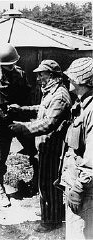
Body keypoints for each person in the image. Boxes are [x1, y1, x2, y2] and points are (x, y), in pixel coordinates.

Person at [9, 59, 72, 232]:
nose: (38, 78)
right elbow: (41, 109)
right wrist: (21, 109)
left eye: (41, 74)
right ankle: (50, 212)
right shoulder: (52, 92)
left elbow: (49, 123)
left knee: (48, 183)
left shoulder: (60, 95)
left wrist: (24, 127)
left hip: (53, 147)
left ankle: (51, 221)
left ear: (52, 75)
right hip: (46, 145)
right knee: (45, 182)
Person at [0, 43, 38, 207]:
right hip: (0, 124)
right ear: (0, 64)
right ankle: (0, 188)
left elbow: (28, 95)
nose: (11, 67)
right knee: (0, 160)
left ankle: (35, 183)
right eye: (7, 65)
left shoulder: (21, 74)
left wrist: (23, 110)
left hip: (19, 120)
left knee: (34, 152)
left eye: (12, 63)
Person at [60, 57, 93, 240]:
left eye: (72, 77)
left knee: (81, 234)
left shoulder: (92, 110)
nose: (68, 80)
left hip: (85, 189)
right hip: (76, 182)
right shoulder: (81, 105)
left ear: (83, 81)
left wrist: (79, 188)